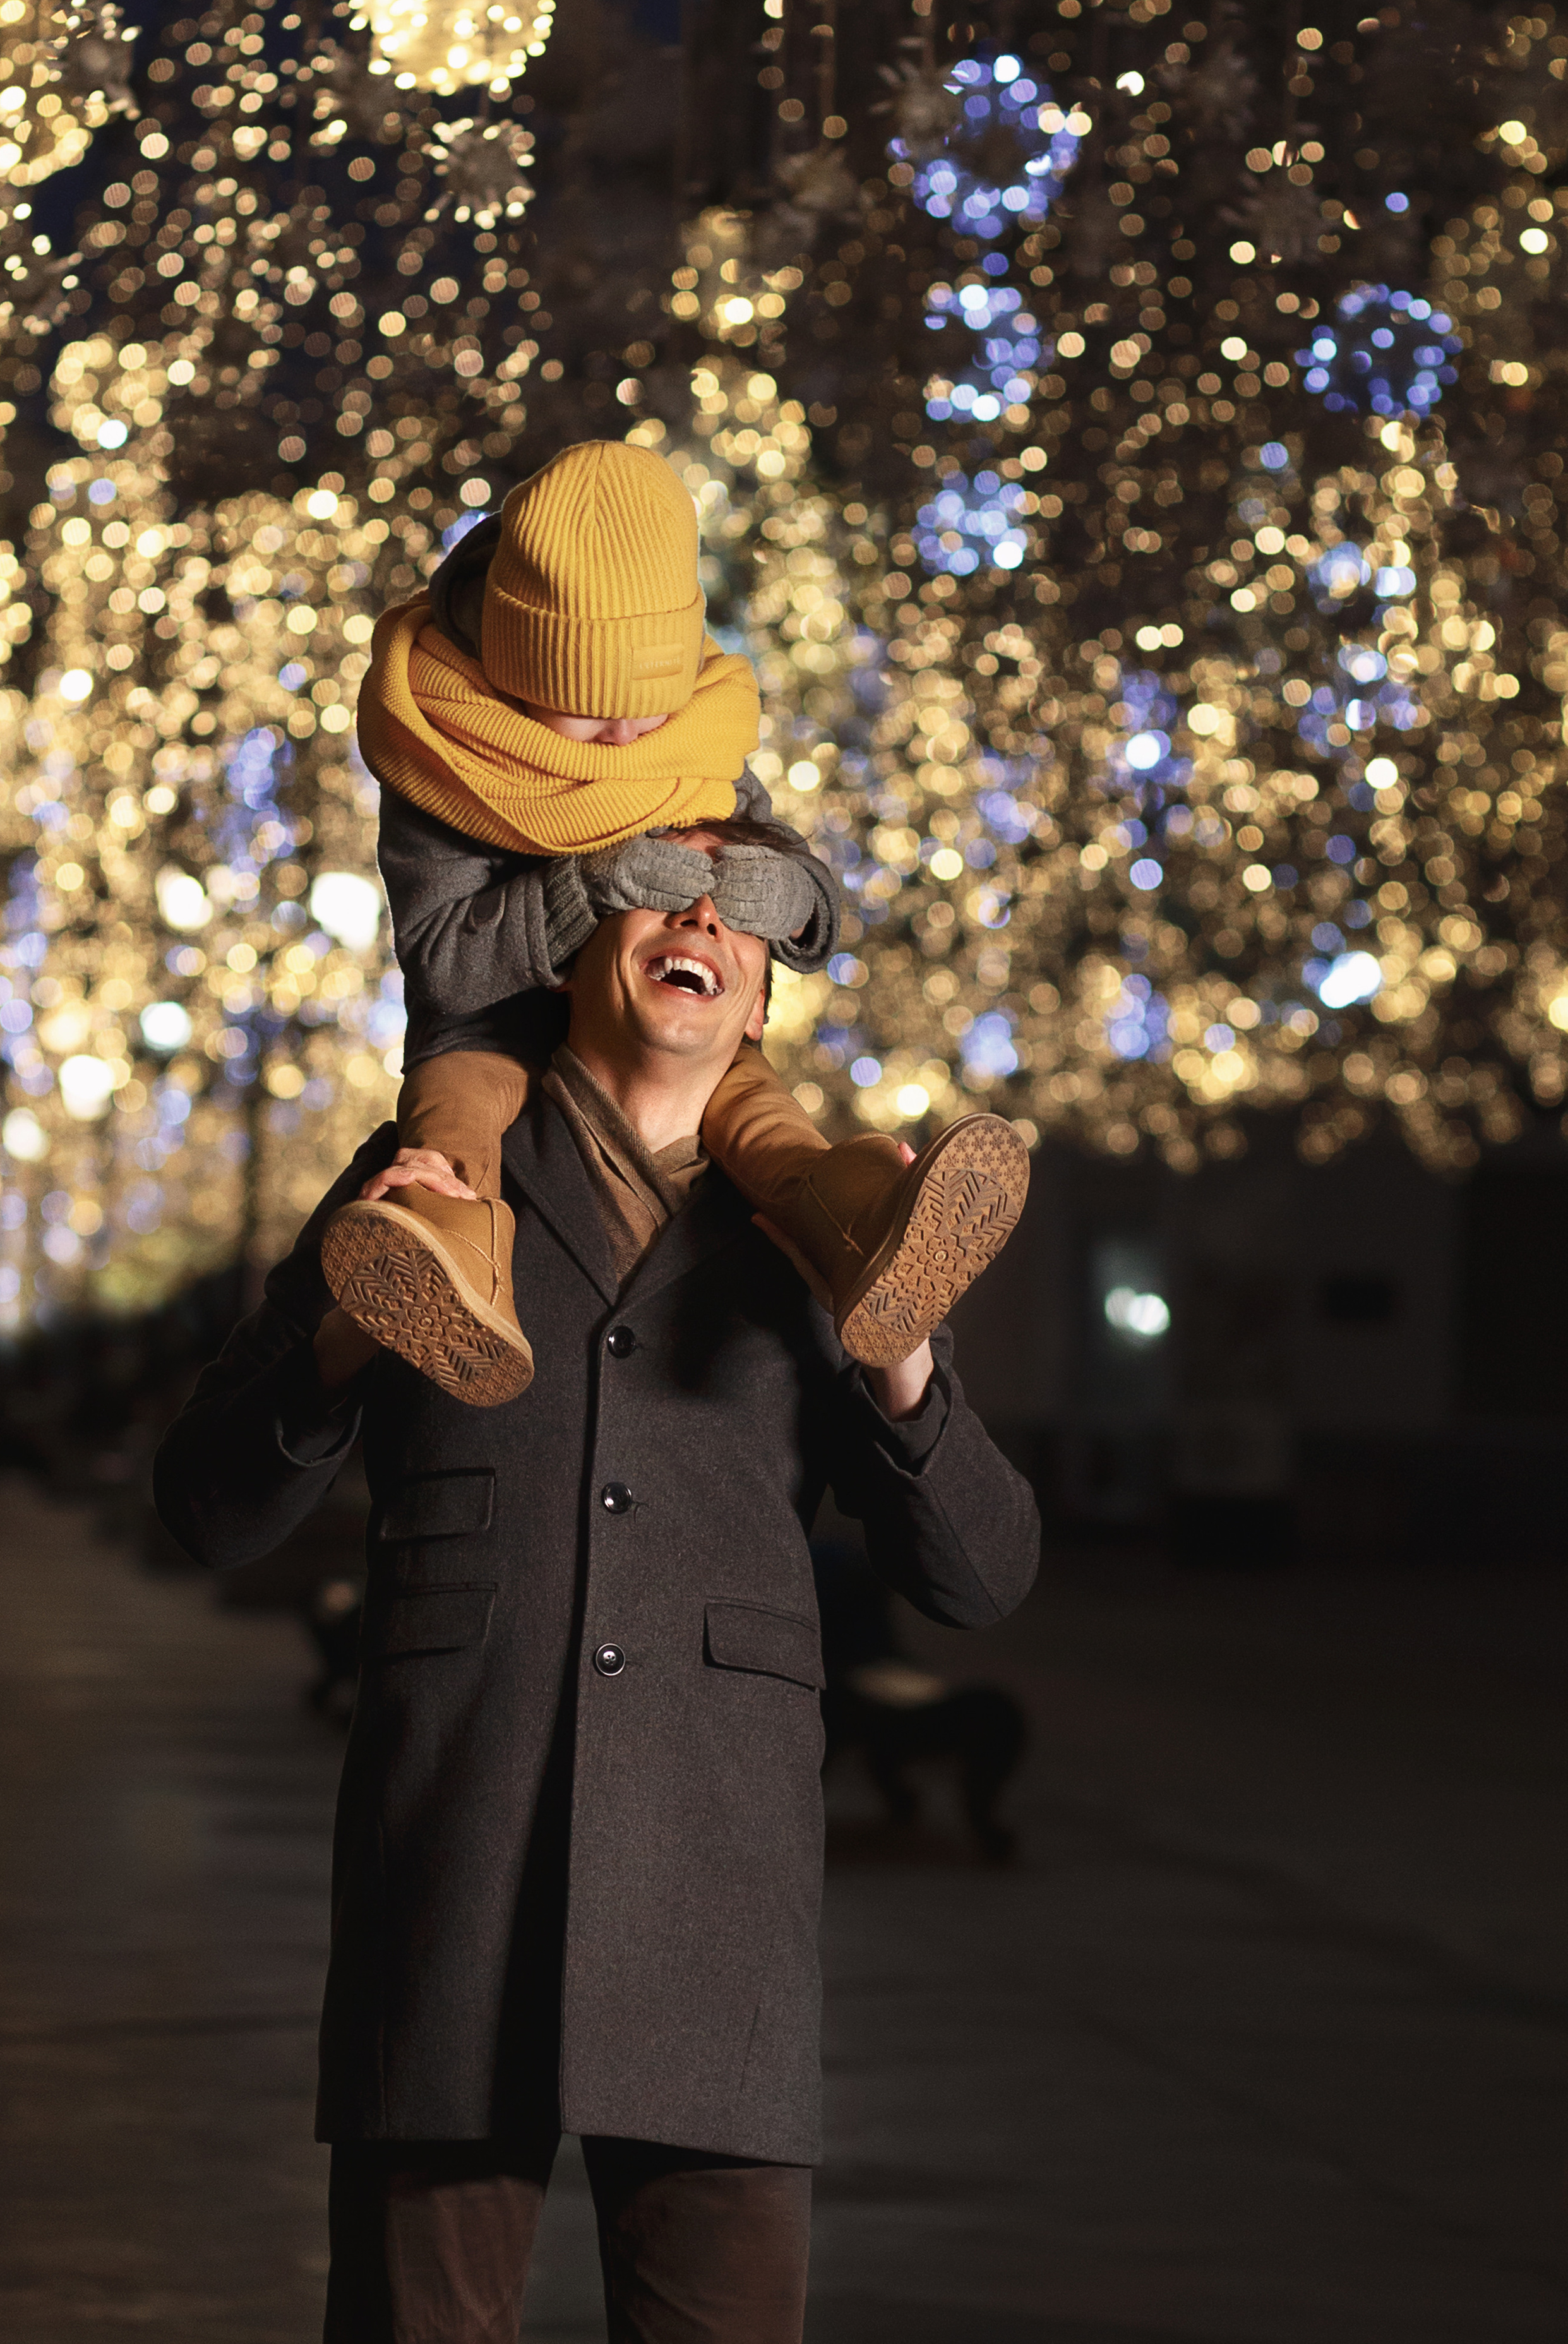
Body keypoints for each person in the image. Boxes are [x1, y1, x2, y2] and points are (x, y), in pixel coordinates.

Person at [153, 836, 1040, 2344]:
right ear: (572, 940)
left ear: (758, 994)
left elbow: (979, 1575)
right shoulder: (424, 1178)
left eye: (748, 913)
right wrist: (351, 1336)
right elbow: (209, 1508)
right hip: (450, 1876)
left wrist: (896, 1369)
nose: (705, 916)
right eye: (660, 884)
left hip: (718, 1909)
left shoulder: (839, 1230)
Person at [321, 437, 1029, 1404]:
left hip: (652, 1029)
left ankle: (862, 1223)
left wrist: (783, 895)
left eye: (645, 716)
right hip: (489, 1026)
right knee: (451, 1117)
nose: (624, 744)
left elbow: (788, 867)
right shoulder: (442, 751)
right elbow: (444, 964)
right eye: (588, 712)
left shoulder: (690, 728)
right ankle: (449, 1258)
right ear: (516, 671)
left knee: (761, 1116)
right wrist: (593, 882)